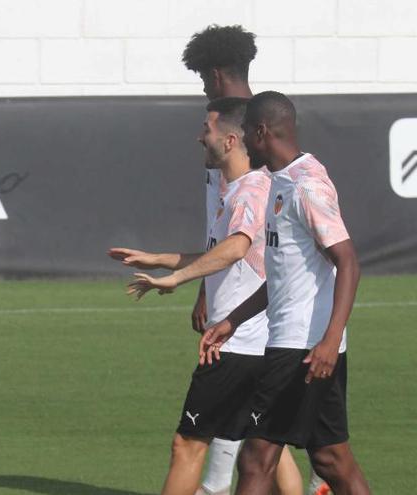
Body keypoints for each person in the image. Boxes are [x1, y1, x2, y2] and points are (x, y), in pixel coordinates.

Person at [110, 97, 295, 495]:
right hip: (262, 344)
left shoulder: (249, 191)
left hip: (237, 347)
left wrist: (177, 279)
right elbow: (222, 250)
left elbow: (236, 248)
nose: (200, 137)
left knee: (187, 446)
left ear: (229, 140)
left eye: (206, 130)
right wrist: (159, 259)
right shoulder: (243, 189)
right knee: (268, 451)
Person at [200, 91, 370, 495]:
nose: (240, 141)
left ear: (261, 132)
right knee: (331, 459)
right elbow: (282, 274)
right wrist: (233, 319)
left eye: (245, 133)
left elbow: (348, 262)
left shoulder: (305, 186)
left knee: (256, 460)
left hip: (303, 348)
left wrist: (330, 340)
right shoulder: (279, 181)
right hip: (300, 344)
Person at [181, 24, 307, 495]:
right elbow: (223, 224)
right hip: (238, 285)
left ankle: (213, 486)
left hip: (261, 291)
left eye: (202, 79)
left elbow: (249, 235)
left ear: (215, 74)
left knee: (246, 414)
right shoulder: (240, 126)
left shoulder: (250, 134)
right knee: (264, 424)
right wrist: (204, 288)